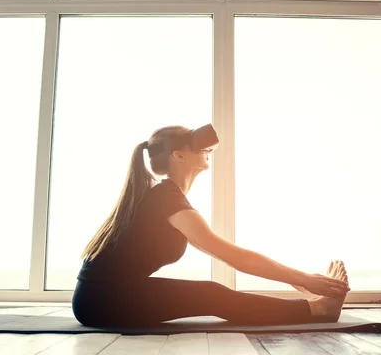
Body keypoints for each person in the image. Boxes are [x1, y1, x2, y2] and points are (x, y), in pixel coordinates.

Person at [72, 124, 350, 327]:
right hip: (101, 301)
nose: (207, 150)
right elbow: (236, 257)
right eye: (197, 145)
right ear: (179, 156)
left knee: (209, 292)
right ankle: (319, 310)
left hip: (104, 296)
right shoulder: (165, 198)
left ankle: (315, 306)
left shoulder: (165, 197)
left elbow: (225, 255)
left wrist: (299, 282)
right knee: (210, 294)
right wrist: (305, 279)